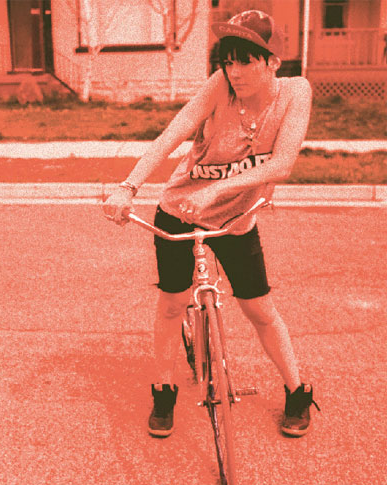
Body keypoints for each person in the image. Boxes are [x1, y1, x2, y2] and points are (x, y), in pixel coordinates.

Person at [103, 10, 319, 438]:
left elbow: (282, 164)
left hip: (236, 218)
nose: (234, 72)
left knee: (259, 309)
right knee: (172, 303)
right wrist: (128, 187)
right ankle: (163, 389)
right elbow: (174, 132)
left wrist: (216, 192)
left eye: (246, 62)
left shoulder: (295, 92)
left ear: (273, 62)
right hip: (180, 210)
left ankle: (298, 390)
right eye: (228, 61)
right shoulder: (220, 86)